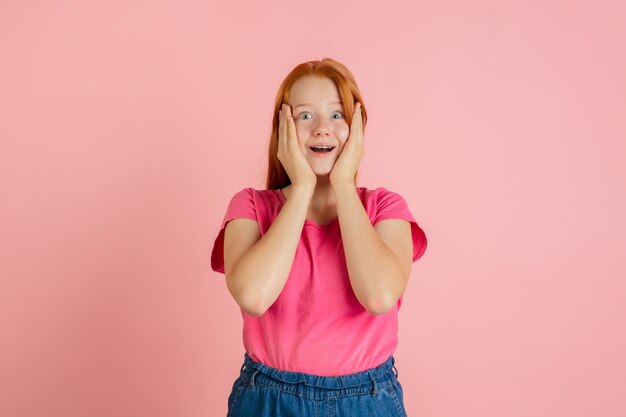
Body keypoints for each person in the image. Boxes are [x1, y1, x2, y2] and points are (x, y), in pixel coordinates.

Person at [210, 58, 427, 416]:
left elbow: (379, 295)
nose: (322, 128)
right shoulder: (250, 205)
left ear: (358, 128)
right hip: (268, 398)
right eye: (305, 116)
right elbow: (253, 295)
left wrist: (343, 183)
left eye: (338, 115)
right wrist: (302, 188)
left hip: (368, 399)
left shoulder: (385, 208)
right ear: (283, 129)